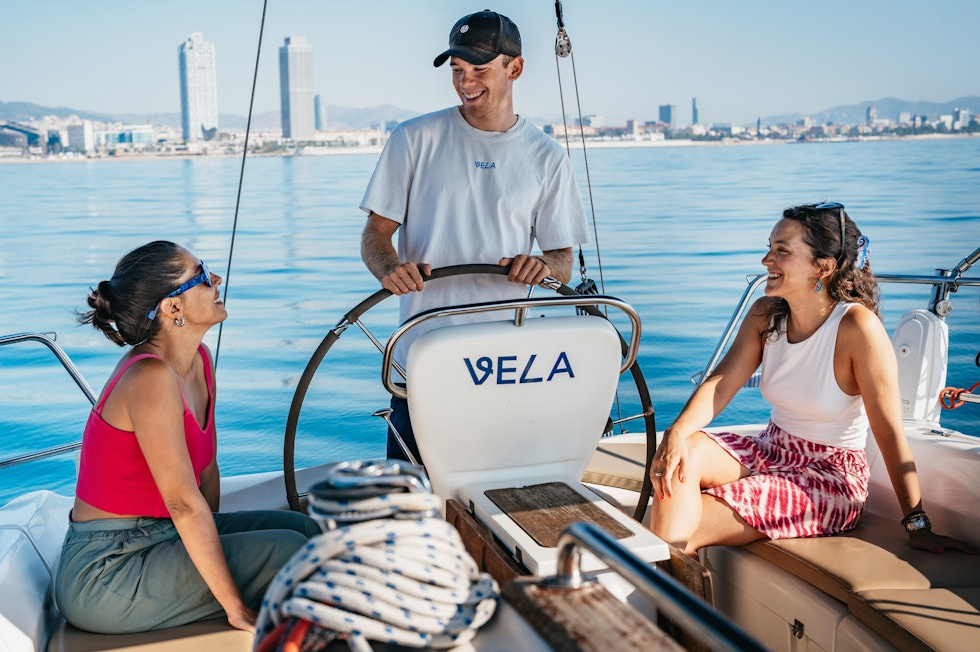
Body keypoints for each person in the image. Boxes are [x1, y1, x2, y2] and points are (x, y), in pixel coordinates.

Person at [649, 203, 976, 556]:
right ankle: (666, 592)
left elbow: (888, 432)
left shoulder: (857, 328)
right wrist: (677, 431)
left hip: (829, 477)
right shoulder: (765, 314)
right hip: (771, 446)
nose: (766, 261)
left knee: (683, 530)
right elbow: (722, 383)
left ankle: (664, 602)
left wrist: (917, 522)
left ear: (823, 267)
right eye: (769, 247)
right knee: (683, 455)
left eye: (782, 251)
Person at [55, 241, 320, 634]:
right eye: (201, 274)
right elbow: (182, 502)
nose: (216, 280)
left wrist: (217, 554)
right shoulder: (149, 378)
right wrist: (235, 607)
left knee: (307, 532)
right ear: (173, 307)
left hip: (160, 535)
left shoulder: (199, 361)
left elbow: (207, 472)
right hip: (107, 571)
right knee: (293, 552)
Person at [359, 9, 589, 463]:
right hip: (422, 360)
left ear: (515, 68)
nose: (466, 81)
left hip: (507, 366)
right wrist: (390, 268)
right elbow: (375, 234)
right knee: (414, 501)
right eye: (457, 70)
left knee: (500, 494)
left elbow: (562, 258)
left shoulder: (547, 157)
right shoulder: (411, 138)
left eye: (479, 68)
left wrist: (542, 267)